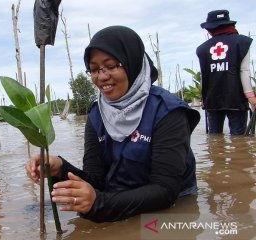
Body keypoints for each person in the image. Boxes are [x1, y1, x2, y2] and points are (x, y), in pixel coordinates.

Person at [26, 26, 201, 222]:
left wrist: (99, 203)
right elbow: (96, 181)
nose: (101, 76)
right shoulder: (96, 114)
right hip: (117, 198)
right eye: (94, 69)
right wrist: (60, 168)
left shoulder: (168, 112)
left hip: (172, 205)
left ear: (131, 62)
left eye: (111, 66)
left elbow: (165, 191)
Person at [196, 10, 255, 135]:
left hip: (212, 99)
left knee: (214, 138)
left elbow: (204, 75)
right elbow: (244, 71)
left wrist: (203, 97)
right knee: (238, 140)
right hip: (236, 99)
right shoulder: (242, 42)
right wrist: (251, 97)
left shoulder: (202, 49)